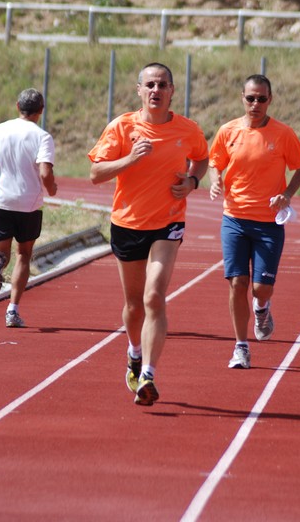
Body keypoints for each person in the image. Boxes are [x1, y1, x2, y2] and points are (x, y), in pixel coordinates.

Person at [88, 62, 209, 406]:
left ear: (172, 91)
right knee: (133, 305)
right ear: (139, 90)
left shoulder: (188, 129)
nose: (156, 91)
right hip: (127, 223)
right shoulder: (122, 127)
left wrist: (193, 181)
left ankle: (148, 376)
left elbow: (201, 158)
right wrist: (129, 160)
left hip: (168, 223)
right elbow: (96, 173)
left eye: (163, 85)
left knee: (154, 297)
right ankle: (134, 352)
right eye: (150, 85)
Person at [209, 74, 300, 369]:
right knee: (237, 282)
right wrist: (215, 182)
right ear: (242, 97)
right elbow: (216, 162)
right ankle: (241, 347)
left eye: (261, 99)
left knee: (259, 289)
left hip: (268, 223)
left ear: (270, 100)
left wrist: (287, 194)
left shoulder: (282, 133)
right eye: (250, 98)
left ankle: (262, 308)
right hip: (234, 220)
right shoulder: (228, 131)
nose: (255, 104)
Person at [0, 88, 57, 327]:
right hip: (29, 204)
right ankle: (12, 310)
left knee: (3, 253)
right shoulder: (42, 137)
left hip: (0, 200)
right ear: (41, 110)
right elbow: (45, 172)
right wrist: (52, 188)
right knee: (24, 255)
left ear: (18, 106)